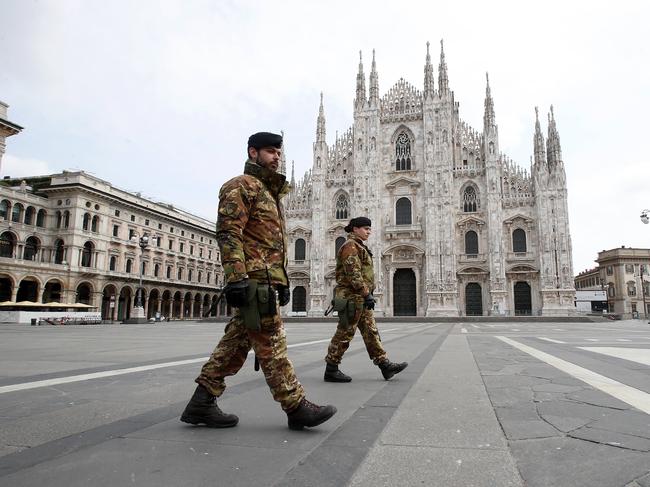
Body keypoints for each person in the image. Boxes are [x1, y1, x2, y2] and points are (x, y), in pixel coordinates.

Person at [181, 132, 336, 430]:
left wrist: (283, 281)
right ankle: (295, 405)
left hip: (266, 282)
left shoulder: (271, 193)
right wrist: (236, 277)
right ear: (253, 153)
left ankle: (201, 402)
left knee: (235, 345)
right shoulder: (241, 186)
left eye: (278, 152)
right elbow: (229, 234)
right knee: (272, 345)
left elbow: (273, 244)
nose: (276, 157)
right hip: (252, 283)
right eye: (269, 151)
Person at [324, 217, 408, 382]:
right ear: (355, 229)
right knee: (345, 332)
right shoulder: (350, 246)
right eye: (365, 228)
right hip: (351, 297)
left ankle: (385, 365)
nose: (369, 231)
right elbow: (353, 273)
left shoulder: (359, 246)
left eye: (369, 229)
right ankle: (331, 369)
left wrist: (366, 294)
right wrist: (366, 293)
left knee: (371, 332)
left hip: (359, 298)